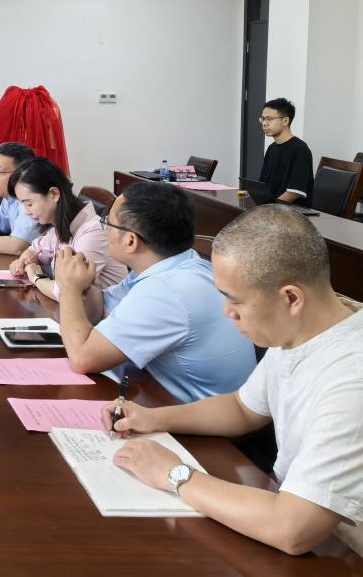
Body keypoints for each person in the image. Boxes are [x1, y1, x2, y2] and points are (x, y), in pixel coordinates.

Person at [104, 205, 362, 556]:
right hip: (304, 519)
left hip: (341, 549)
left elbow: (293, 528)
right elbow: (243, 408)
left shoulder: (351, 376)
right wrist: (152, 418)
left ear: (291, 298)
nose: (226, 312)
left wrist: (175, 475)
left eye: (234, 299)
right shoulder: (300, 330)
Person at [51, 182, 255, 402]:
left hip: (198, 417)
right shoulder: (178, 263)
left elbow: (82, 358)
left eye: (108, 222)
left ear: (130, 241)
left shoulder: (167, 291)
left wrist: (69, 288)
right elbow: (101, 307)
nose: (104, 229)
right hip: (164, 397)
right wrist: (80, 284)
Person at [7, 157, 126, 298]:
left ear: (54, 194)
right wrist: (23, 262)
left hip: (105, 310)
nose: (26, 211)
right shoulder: (60, 225)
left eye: (29, 204)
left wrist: (36, 277)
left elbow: (68, 292)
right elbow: (35, 249)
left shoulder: (93, 232)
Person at [258, 97, 314, 206]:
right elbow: (263, 184)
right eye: (263, 119)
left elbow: (294, 192)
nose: (264, 123)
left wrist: (270, 208)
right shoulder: (271, 148)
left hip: (292, 212)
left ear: (285, 121)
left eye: (269, 119)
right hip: (273, 208)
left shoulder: (300, 150)